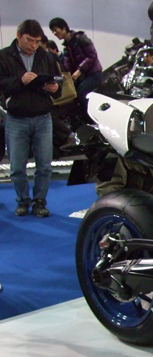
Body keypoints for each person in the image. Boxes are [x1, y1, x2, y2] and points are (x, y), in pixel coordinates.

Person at [0, 19, 60, 217]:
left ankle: (40, 201)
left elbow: (57, 81)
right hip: (16, 119)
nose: (34, 45)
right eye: (30, 40)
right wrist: (20, 80)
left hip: (43, 118)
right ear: (19, 36)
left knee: (45, 166)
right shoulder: (4, 56)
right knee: (17, 167)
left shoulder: (46, 56)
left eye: (37, 41)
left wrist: (55, 88)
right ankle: (23, 200)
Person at [49, 17, 103, 107]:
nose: (54, 33)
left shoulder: (80, 38)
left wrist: (79, 70)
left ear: (63, 28)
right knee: (73, 97)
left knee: (81, 93)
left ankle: (89, 115)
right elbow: (67, 67)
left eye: (55, 30)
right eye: (52, 31)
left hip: (94, 74)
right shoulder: (67, 47)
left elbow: (92, 55)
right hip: (83, 78)